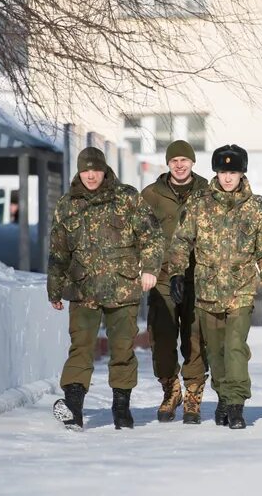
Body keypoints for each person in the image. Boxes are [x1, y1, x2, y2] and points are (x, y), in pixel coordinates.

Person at [48, 147, 163, 431]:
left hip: (122, 289)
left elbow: (152, 236)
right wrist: (54, 288)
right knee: (80, 348)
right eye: (85, 170)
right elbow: (58, 251)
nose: (90, 175)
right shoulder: (67, 204)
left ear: (104, 169)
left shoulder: (126, 198)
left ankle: (121, 406)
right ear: (79, 171)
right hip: (82, 289)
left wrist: (149, 268)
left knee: (122, 349)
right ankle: (73, 407)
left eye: (95, 170)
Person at [167, 144, 262, 430]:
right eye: (222, 171)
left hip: (241, 291)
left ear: (242, 173)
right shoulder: (199, 204)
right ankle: (224, 396)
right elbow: (182, 241)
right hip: (207, 292)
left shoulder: (257, 207)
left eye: (233, 171)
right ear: (215, 172)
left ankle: (236, 405)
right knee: (215, 353)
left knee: (235, 349)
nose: (228, 177)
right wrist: (178, 274)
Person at [141, 140, 209, 424]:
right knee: (163, 336)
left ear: (193, 162)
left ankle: (193, 394)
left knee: (195, 338)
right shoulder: (151, 195)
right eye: (174, 161)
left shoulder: (209, 191)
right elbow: (139, 233)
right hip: (163, 277)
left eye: (184, 160)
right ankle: (171, 390)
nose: (179, 165)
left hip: (199, 277)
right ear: (167, 164)